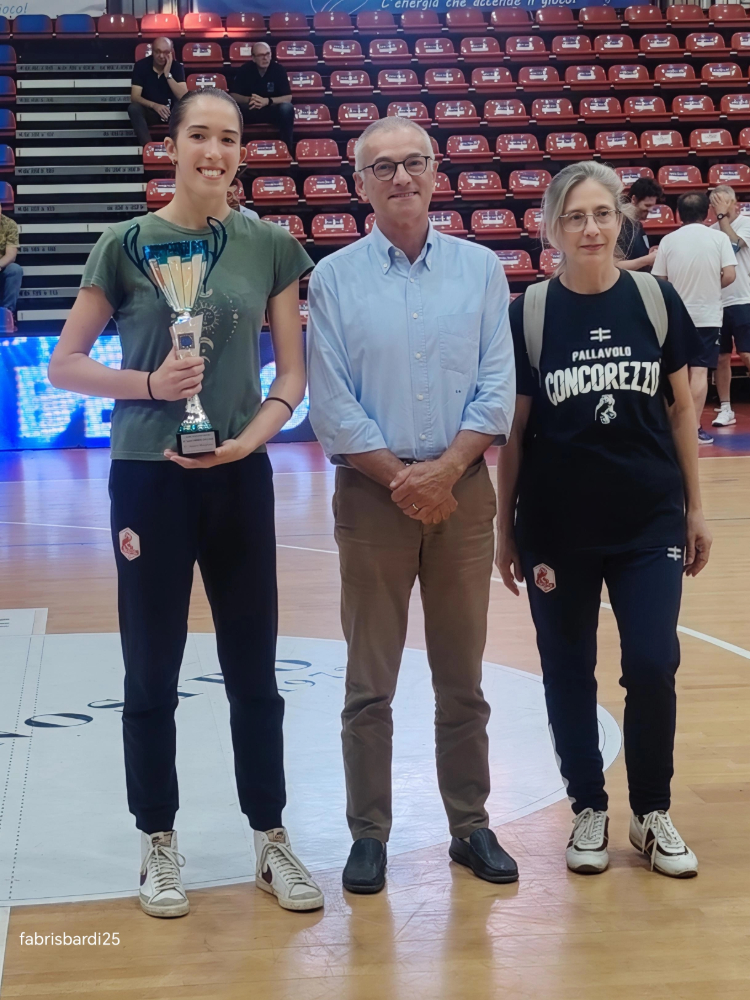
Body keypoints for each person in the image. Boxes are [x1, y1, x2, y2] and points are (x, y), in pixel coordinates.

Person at [48, 88, 323, 918]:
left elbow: (292, 374)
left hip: (238, 471)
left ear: (242, 151)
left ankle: (270, 836)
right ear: (170, 145)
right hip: (147, 475)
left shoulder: (270, 245)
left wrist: (254, 438)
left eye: (228, 138)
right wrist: (149, 385)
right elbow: (65, 364)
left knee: (254, 668)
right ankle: (157, 841)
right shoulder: (124, 244)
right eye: (199, 134)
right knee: (151, 667)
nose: (215, 151)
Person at [307, 116, 518, 894]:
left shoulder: (481, 269)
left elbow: (497, 385)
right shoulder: (333, 278)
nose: (401, 177)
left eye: (414, 162)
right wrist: (404, 477)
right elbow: (332, 403)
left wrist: (448, 469)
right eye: (383, 166)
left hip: (463, 492)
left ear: (436, 172)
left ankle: (471, 824)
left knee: (463, 677)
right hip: (372, 496)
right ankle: (369, 833)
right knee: (370, 682)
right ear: (360, 183)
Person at [496, 160, 711, 880]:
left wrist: (696, 508)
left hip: (649, 519)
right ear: (552, 228)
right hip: (556, 526)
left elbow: (681, 411)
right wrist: (504, 528)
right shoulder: (529, 313)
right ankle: (588, 805)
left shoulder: (653, 299)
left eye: (603, 214)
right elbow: (514, 433)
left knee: (652, 663)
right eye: (575, 216)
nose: (591, 229)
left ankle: (651, 812)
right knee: (567, 671)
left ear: (621, 220)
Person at [652, 192, 736, 445]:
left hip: (675, 316)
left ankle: (673, 427)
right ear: (707, 212)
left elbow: (659, 280)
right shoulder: (719, 238)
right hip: (707, 315)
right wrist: (711, 286)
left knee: (676, 372)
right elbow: (730, 275)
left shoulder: (668, 240)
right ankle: (693, 429)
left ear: (678, 213)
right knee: (699, 371)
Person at [709, 185, 750, 428]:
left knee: (746, 353)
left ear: (735, 203)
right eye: (716, 204)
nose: (720, 208)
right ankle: (725, 407)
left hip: (744, 298)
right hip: (718, 302)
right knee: (721, 357)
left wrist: (723, 217)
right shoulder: (710, 232)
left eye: (724, 203)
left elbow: (734, 245)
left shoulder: (746, 223)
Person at [230, 42, 294, 152]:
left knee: (287, 108)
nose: (265, 58)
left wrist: (267, 101)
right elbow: (233, 95)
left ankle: (287, 151)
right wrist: (250, 99)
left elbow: (288, 97)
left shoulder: (279, 70)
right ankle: (235, 151)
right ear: (253, 58)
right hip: (251, 108)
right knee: (232, 109)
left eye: (267, 54)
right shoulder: (244, 70)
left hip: (271, 110)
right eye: (261, 55)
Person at [128, 36, 187, 148]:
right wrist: (155, 106)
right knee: (134, 108)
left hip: (171, 113)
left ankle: (178, 148)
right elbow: (135, 97)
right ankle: (148, 147)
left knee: (185, 109)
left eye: (165, 52)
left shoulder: (177, 67)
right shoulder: (141, 66)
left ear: (171, 52)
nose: (161, 56)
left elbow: (184, 97)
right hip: (151, 112)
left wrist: (168, 75)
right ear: (152, 51)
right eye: (157, 52)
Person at [617, 176, 663, 272]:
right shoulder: (621, 224)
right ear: (634, 199)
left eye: (653, 206)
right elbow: (614, 266)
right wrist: (647, 259)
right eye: (647, 205)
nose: (650, 210)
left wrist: (650, 253)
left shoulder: (637, 224)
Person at [0, 202, 21, 322]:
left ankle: (7, 314)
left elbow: (11, 255)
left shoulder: (9, 224)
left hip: (1, 267)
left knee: (15, 269)